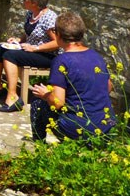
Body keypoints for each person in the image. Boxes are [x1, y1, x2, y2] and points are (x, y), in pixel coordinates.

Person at [30, 12, 116, 141]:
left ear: (58, 35)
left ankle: (39, 147)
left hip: (79, 129)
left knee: (38, 104)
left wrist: (46, 94)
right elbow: (109, 87)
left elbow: (58, 103)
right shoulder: (96, 56)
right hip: (107, 127)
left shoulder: (62, 60)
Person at [0, 0, 59, 112]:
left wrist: (35, 48)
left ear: (34, 2)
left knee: (10, 55)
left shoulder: (49, 17)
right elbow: (29, 32)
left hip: (47, 54)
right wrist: (19, 40)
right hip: (31, 49)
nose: (22, 1)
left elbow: (57, 42)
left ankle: (13, 96)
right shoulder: (31, 14)